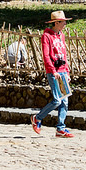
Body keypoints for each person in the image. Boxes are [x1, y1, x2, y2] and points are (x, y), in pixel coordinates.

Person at [30, 10, 74, 138]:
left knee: (64, 101)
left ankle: (61, 128)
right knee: (56, 100)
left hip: (63, 71)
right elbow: (46, 55)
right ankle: (37, 118)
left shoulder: (62, 36)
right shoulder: (46, 36)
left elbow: (64, 54)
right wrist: (53, 70)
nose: (65, 24)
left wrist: (67, 71)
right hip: (53, 71)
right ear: (57, 23)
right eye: (63, 22)